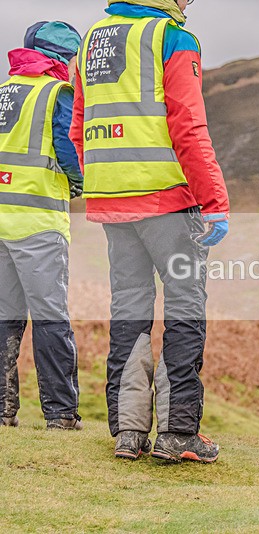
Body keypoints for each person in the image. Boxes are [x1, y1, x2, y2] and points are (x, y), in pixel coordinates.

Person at [70, 0, 229, 462]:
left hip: (112, 202)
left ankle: (128, 431)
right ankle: (179, 432)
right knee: (184, 306)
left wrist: (105, 183)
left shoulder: (91, 38)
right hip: (168, 199)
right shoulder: (172, 38)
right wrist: (215, 201)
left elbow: (78, 127)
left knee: (129, 310)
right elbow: (188, 126)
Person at [0, 21, 84, 430]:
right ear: (62, 58)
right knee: (51, 318)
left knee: (4, 317)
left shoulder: (2, 93)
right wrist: (80, 184)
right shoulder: (57, 94)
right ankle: (61, 414)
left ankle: (2, 411)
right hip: (37, 221)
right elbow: (69, 150)